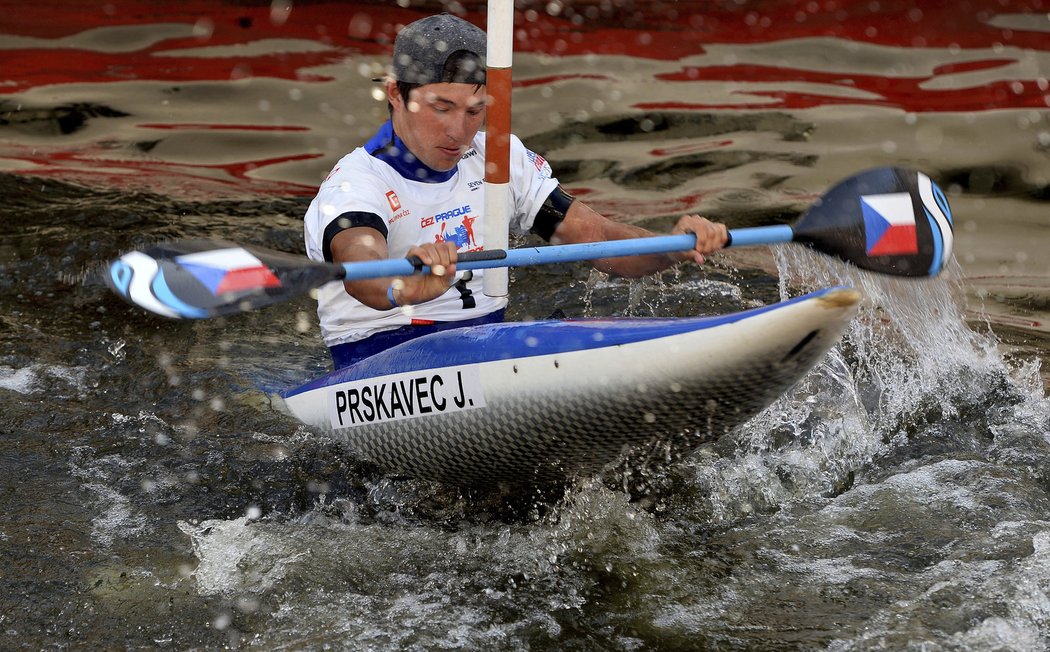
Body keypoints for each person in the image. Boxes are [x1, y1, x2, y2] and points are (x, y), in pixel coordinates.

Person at [303, 14, 728, 369]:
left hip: (483, 348)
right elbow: (361, 266)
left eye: (475, 111)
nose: (459, 131)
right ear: (396, 93)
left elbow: (598, 240)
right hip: (380, 360)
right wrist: (404, 288)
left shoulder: (499, 160)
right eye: (441, 108)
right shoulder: (354, 185)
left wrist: (674, 246)